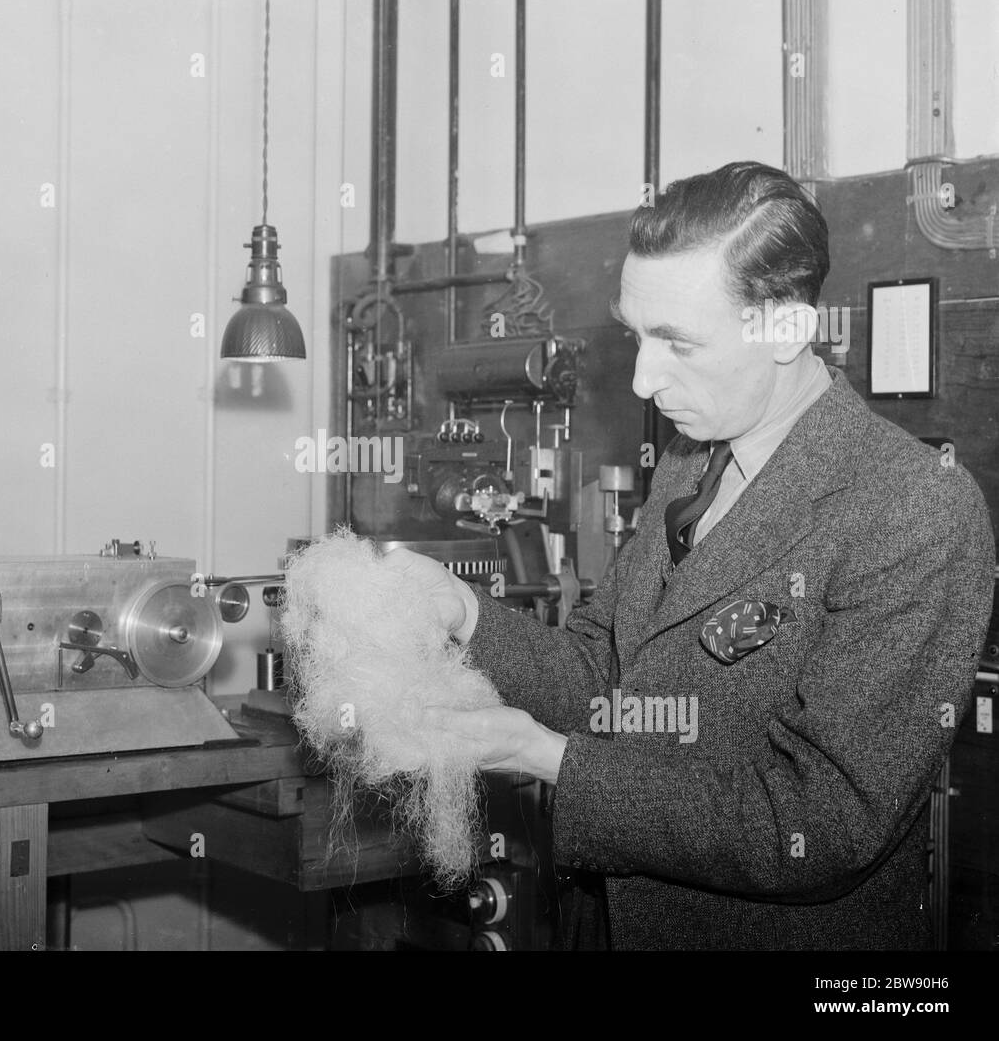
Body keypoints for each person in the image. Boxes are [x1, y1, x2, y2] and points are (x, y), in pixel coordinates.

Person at [388, 161, 995, 950]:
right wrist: (465, 614)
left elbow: (823, 821)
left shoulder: (913, 507)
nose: (643, 378)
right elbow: (605, 677)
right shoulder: (690, 460)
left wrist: (545, 759)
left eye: (678, 343)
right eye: (637, 335)